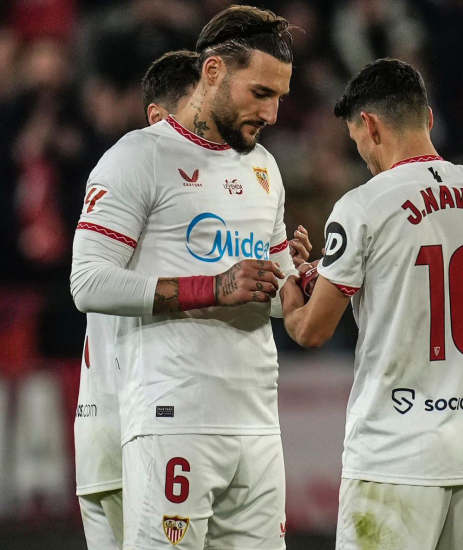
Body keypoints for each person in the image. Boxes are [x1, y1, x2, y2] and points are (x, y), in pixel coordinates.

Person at [70, 6, 304, 550]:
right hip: (172, 415)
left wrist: (305, 280)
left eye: (280, 98)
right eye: (261, 93)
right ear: (215, 72)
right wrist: (213, 287)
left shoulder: (265, 168)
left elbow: (272, 292)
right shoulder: (138, 157)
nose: (271, 113)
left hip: (257, 422)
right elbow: (88, 283)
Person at [281, 59, 463, 550]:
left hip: (394, 461)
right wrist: (321, 274)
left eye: (357, 141)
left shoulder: (363, 204)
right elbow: (424, 290)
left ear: (369, 125)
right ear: (428, 119)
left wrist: (287, 275)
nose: (363, 154)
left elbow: (309, 330)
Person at [74, 50, 199, 550]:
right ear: (159, 118)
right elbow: (86, 283)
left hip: (112, 425)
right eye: (199, 111)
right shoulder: (139, 171)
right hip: (135, 428)